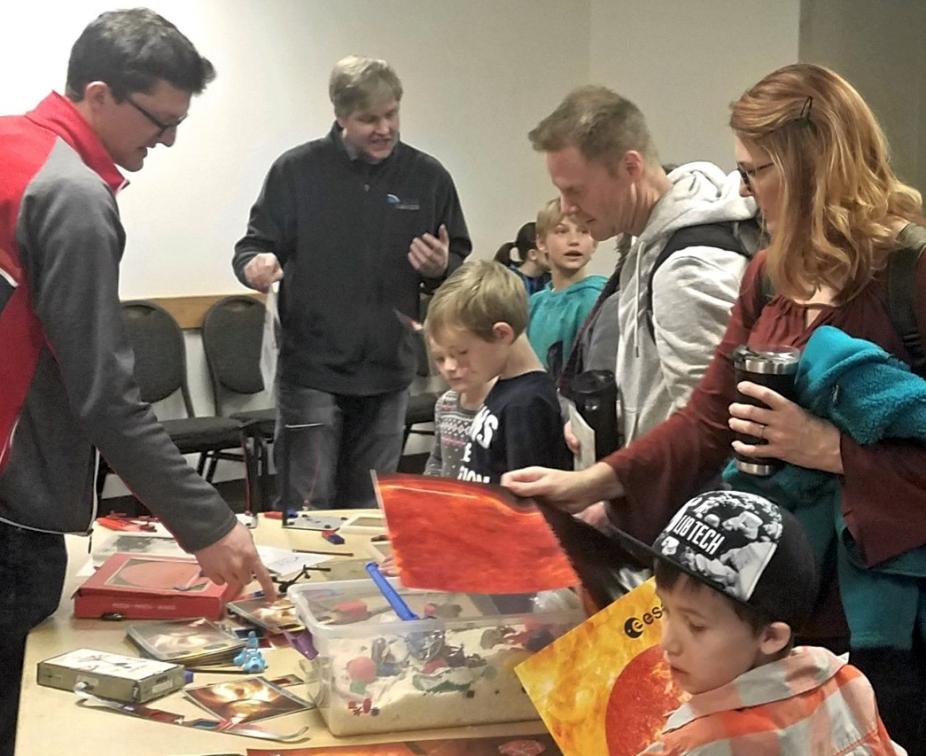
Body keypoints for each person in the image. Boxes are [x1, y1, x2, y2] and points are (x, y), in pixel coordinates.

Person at [503, 64, 926, 753]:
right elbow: (707, 418)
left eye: (756, 170)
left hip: (883, 616)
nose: (743, 188)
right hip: (778, 598)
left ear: (815, 168)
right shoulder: (770, 274)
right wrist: (595, 481)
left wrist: (832, 451)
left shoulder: (911, 272)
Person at [0, 9, 274, 754]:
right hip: (11, 509)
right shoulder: (72, 197)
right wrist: (208, 524)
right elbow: (105, 395)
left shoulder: (12, 149)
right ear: (99, 94)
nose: (169, 141)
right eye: (161, 122)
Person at [233, 55, 471, 510]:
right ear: (341, 116)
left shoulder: (428, 177)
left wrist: (441, 266)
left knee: (368, 511)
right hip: (312, 373)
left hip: (388, 372)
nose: (385, 129)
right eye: (369, 119)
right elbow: (252, 247)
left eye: (392, 114)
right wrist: (255, 266)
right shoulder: (296, 171)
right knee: (308, 507)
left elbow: (457, 262)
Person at [527, 85, 757, 451]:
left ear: (630, 167)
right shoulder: (650, 236)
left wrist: (613, 476)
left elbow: (713, 433)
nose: (566, 207)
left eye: (576, 191)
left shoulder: (686, 270)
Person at [632, 490, 903, 755]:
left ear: (771, 637)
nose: (667, 642)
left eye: (696, 626)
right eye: (664, 609)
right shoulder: (846, 685)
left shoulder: (692, 746)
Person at [424, 260, 571, 484]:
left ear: (502, 334)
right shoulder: (504, 387)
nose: (451, 367)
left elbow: (526, 497)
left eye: (462, 352)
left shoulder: (527, 404)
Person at [526, 198, 605, 377]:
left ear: (594, 243)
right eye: (561, 231)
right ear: (541, 243)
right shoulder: (535, 303)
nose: (574, 241)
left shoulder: (596, 300)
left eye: (584, 231)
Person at [423, 337, 494, 479]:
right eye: (440, 359)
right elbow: (437, 459)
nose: (449, 367)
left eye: (462, 353)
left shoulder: (506, 405)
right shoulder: (445, 403)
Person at [494, 221, 550, 297]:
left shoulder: (551, 281)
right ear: (532, 254)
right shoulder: (507, 282)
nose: (555, 254)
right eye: (548, 250)